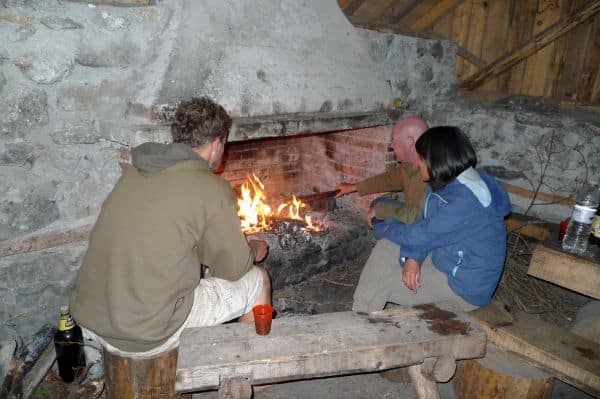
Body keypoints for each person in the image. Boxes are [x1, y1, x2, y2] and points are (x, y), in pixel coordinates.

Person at [70, 97, 271, 357]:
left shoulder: (133, 174)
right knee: (257, 279)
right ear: (216, 143)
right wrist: (254, 247)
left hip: (90, 320)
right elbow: (233, 269)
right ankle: (255, 369)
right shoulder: (210, 188)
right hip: (145, 335)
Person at [353, 126, 511, 313]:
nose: (418, 164)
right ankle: (359, 315)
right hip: (446, 256)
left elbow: (419, 234)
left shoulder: (462, 202)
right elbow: (426, 226)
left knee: (381, 283)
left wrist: (383, 225)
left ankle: (358, 323)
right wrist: (414, 257)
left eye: (421, 158)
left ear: (436, 160)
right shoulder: (451, 180)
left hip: (462, 287)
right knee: (387, 246)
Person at [336, 116, 429, 227]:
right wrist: (353, 187)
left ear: (410, 142)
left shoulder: (431, 174)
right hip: (413, 214)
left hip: (423, 228)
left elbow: (417, 217)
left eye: (394, 140)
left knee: (380, 217)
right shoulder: (409, 164)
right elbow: (388, 180)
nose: (391, 145)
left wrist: (381, 211)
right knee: (378, 204)